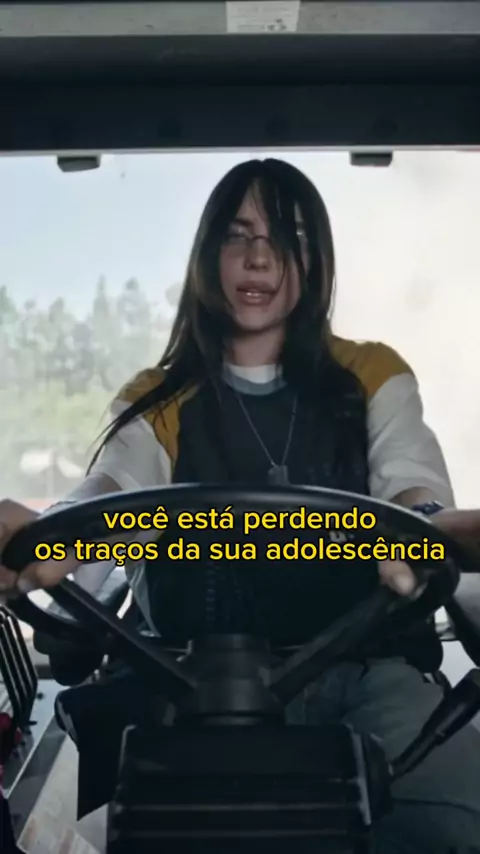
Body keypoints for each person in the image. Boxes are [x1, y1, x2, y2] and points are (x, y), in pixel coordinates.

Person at [1, 158, 480, 852]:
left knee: (455, 819)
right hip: (179, 679)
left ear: (316, 261)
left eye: (287, 237)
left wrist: (426, 527)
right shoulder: (159, 397)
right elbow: (114, 490)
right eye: (238, 234)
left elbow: (409, 485)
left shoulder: (371, 375)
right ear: (209, 257)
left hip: (361, 670)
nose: (260, 256)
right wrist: (50, 538)